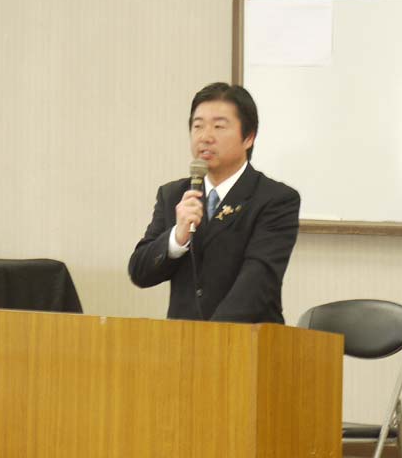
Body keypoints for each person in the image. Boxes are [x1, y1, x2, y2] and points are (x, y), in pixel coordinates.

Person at [128, 82, 300, 323]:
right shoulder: (173, 195)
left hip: (247, 339)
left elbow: (258, 282)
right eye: (198, 126)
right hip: (183, 340)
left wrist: (211, 336)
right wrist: (177, 238)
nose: (205, 137)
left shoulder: (275, 199)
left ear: (248, 137)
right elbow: (140, 272)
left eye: (219, 126)